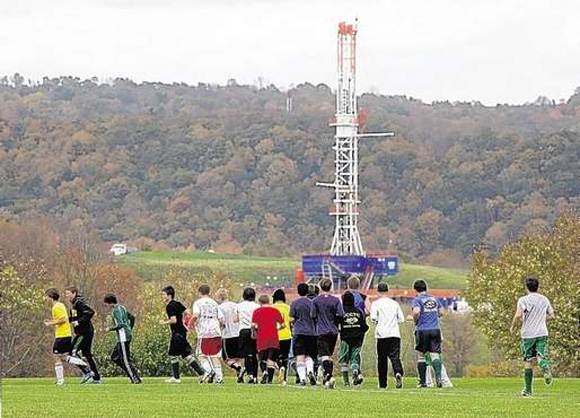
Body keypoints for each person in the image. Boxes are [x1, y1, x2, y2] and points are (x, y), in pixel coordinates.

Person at [510, 276, 555, 397]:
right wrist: (541, 319)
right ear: (537, 286)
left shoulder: (523, 300)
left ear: (526, 287)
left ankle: (528, 391)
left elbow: (519, 314)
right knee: (541, 356)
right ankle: (545, 368)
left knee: (528, 361)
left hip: (528, 334)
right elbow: (552, 315)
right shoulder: (544, 299)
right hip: (542, 333)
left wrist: (513, 326)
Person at [159, 285, 205, 383]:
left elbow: (173, 320)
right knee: (186, 355)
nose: (162, 296)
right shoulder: (177, 303)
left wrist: (164, 322)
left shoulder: (170, 306)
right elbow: (187, 311)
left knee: (172, 354)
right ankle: (202, 374)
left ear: (169, 295)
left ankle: (176, 378)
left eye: (163, 294)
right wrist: (185, 321)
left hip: (177, 333)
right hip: (182, 332)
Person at [43, 288, 88, 385]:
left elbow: (63, 319)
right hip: (65, 334)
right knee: (63, 357)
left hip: (62, 335)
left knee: (56, 356)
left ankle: (60, 380)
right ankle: (80, 362)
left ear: (51, 297)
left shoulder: (56, 307)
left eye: (46, 297)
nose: (45, 299)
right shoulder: (60, 305)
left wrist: (50, 323)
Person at [411, 279, 445, 388]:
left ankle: (423, 382)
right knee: (435, 354)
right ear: (426, 288)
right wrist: (434, 316)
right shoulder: (434, 299)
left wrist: (415, 319)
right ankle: (438, 378)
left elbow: (416, 311)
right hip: (435, 329)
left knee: (421, 356)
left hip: (422, 330)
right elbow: (442, 312)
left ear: (416, 290)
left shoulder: (417, 300)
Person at [370, 282, 404, 389]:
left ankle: (383, 383)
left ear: (378, 291)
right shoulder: (394, 304)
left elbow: (373, 318)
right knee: (395, 356)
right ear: (387, 291)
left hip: (381, 334)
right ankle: (398, 372)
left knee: (382, 359)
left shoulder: (376, 304)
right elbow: (401, 319)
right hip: (394, 333)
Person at [64, 286, 102, 384]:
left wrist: (79, 322)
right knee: (87, 355)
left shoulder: (79, 303)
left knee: (72, 352)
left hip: (84, 333)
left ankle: (87, 372)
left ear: (74, 293)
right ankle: (97, 378)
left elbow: (90, 312)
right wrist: (65, 320)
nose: (66, 296)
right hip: (85, 332)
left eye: (68, 293)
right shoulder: (74, 304)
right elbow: (74, 317)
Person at [311, 278, 343, 389]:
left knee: (324, 356)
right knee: (329, 355)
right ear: (331, 287)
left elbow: (313, 315)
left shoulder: (316, 301)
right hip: (333, 331)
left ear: (320, 287)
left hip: (321, 331)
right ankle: (327, 379)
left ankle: (329, 376)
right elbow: (341, 314)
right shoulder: (336, 300)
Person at [104, 293, 141, 384]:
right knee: (114, 357)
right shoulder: (122, 308)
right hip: (125, 335)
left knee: (125, 359)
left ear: (110, 303)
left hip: (123, 337)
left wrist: (110, 328)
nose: (106, 306)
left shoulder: (115, 311)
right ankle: (133, 371)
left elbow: (120, 324)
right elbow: (132, 317)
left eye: (106, 304)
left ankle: (135, 378)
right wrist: (129, 328)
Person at [192, 284, 224, 384]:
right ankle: (219, 377)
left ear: (199, 292)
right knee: (214, 355)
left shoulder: (198, 303)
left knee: (201, 354)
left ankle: (209, 371)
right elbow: (221, 319)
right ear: (209, 292)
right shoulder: (215, 303)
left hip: (204, 331)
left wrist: (189, 324)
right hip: (215, 330)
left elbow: (196, 315)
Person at [252, 294, 285, 384]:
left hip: (262, 337)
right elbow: (283, 325)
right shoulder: (275, 311)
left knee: (262, 358)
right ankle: (269, 380)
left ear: (260, 302)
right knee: (271, 359)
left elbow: (254, 325)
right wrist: (277, 329)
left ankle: (264, 372)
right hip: (273, 337)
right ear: (269, 302)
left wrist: (254, 333)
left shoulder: (257, 311)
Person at [289, 283, 318, 386]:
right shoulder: (312, 303)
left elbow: (291, 318)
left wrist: (293, 322)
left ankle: (302, 379)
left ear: (298, 291)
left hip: (298, 332)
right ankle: (310, 370)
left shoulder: (294, 303)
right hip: (311, 333)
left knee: (300, 356)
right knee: (309, 355)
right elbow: (315, 317)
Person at [338, 291, 367, 386]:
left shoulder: (341, 311)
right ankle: (355, 370)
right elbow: (365, 326)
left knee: (344, 361)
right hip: (357, 338)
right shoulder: (359, 311)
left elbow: (337, 323)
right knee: (354, 358)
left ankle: (346, 382)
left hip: (345, 338)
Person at [216, 288, 244, 382]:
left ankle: (239, 369)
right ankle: (240, 377)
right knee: (238, 358)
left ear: (220, 297)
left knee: (227, 359)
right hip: (238, 334)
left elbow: (222, 321)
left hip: (228, 335)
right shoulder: (235, 305)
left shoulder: (220, 308)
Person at [236, 287, 260, 383]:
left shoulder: (239, 306)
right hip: (255, 330)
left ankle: (246, 371)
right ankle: (254, 376)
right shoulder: (257, 306)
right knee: (254, 353)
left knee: (245, 354)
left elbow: (235, 319)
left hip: (243, 330)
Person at [272, 288, 292, 385]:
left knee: (274, 357)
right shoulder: (288, 308)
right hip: (286, 335)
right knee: (285, 357)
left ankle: (280, 366)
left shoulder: (272, 308)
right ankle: (284, 378)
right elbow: (291, 320)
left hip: (274, 335)